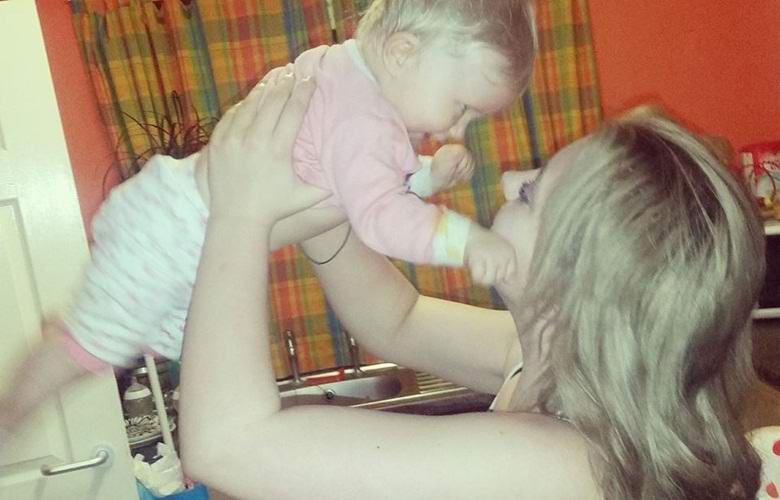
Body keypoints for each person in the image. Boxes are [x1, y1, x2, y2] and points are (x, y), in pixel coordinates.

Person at [178, 70, 765, 498]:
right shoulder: (547, 360)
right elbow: (396, 319)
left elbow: (226, 446)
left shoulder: (552, 463)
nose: (508, 180)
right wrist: (329, 193)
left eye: (531, 193)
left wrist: (240, 212)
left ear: (576, 286)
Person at [0, 0, 536, 431]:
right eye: (461, 106)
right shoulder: (366, 121)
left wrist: (428, 176)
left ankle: (62, 349)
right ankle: (11, 412)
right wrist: (467, 240)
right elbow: (382, 220)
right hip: (178, 231)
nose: (457, 128)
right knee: (90, 348)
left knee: (161, 346)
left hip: (182, 220)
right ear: (402, 52)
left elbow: (358, 187)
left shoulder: (344, 74)